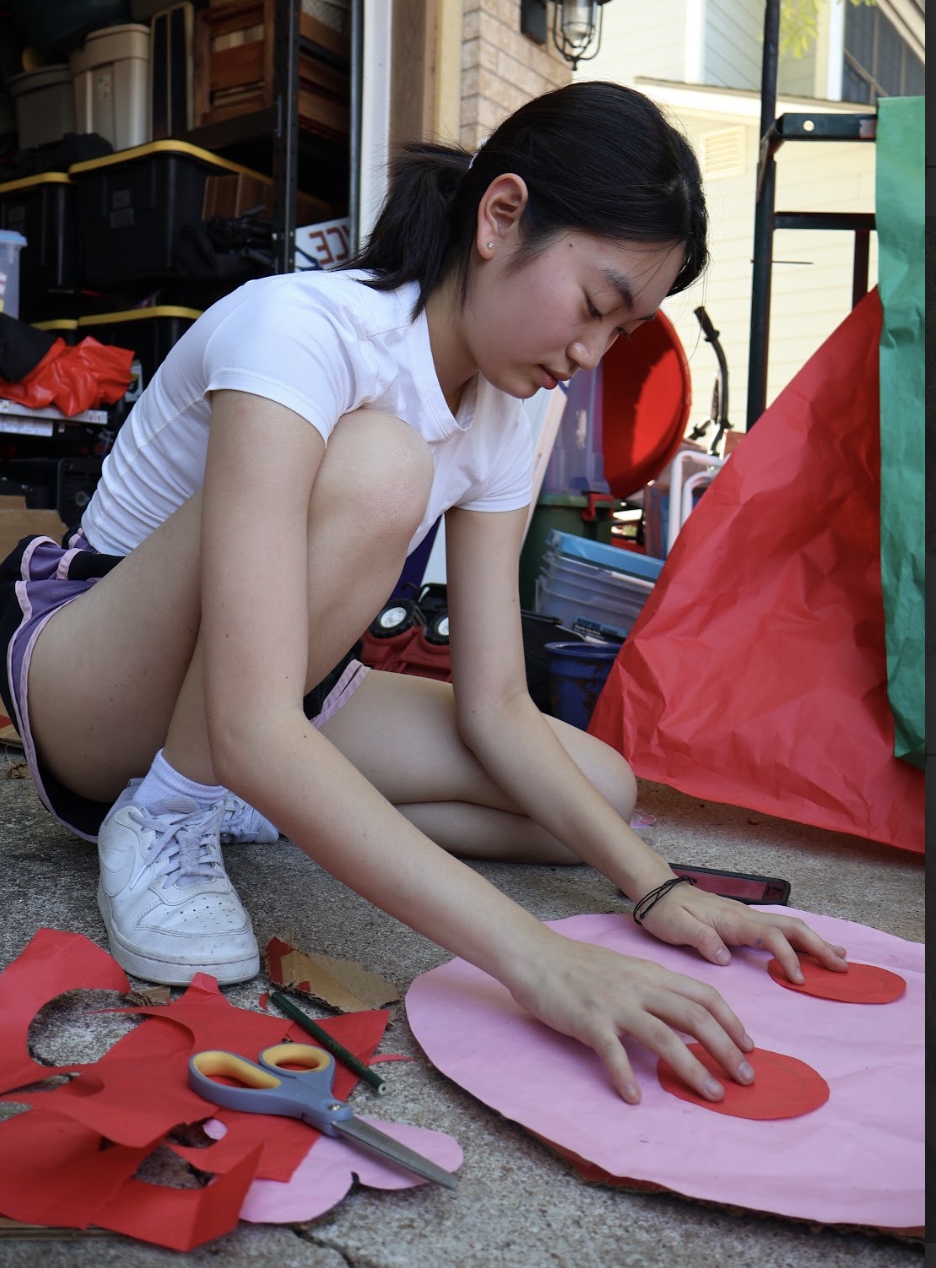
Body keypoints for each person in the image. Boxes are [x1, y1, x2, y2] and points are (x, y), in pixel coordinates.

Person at [0, 81, 846, 1107]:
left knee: (599, 791)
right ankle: (167, 816)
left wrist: (656, 886)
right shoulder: (304, 330)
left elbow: (495, 703)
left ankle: (246, 795)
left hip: (281, 692)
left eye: (621, 333)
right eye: (594, 305)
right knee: (383, 468)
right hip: (96, 679)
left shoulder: (507, 410)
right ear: (501, 217)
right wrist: (536, 957)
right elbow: (256, 717)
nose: (589, 355)